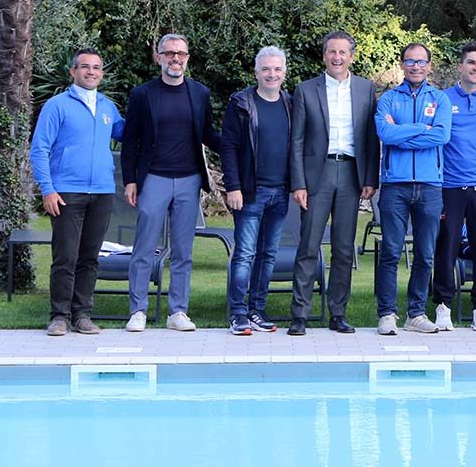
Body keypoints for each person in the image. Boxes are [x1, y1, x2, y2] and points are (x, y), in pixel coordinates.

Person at [121, 34, 221, 332]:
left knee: (183, 250)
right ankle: (138, 310)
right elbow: (130, 142)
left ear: (187, 58)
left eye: (181, 54)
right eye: (169, 53)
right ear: (159, 57)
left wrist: (237, 144)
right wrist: (130, 181)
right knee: (144, 248)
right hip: (154, 179)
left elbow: (208, 133)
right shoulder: (143, 94)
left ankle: (178, 311)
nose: (175, 58)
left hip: (189, 179)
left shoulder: (200, 93)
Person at [287, 30, 380, 335]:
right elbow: (296, 140)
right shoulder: (305, 90)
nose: (337, 58)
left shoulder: (366, 89)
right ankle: (299, 315)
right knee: (308, 246)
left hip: (352, 174)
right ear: (324, 55)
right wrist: (298, 183)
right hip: (318, 174)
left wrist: (370, 178)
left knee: (343, 249)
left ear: (351, 56)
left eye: (342, 52)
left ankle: (338, 313)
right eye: (331, 52)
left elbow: (371, 138)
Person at [30, 48, 125, 336]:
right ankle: (59, 315)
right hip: (66, 193)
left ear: (102, 74)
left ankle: (82, 315)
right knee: (65, 257)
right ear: (73, 72)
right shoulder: (57, 105)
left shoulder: (109, 107)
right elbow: (39, 149)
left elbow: (130, 135)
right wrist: (48, 189)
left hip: (103, 193)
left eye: (96, 67)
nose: (91, 72)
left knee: (90, 257)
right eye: (85, 67)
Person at [374, 43, 452, 335]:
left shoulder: (440, 99)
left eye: (421, 62)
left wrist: (403, 133)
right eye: (410, 61)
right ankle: (387, 314)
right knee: (391, 252)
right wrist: (424, 128)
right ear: (402, 65)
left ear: (429, 66)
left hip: (431, 186)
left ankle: (415, 314)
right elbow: (385, 133)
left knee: (425, 253)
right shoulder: (389, 99)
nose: (416, 66)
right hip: (395, 185)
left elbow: (442, 136)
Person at [219, 46, 292, 335]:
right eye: (266, 69)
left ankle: (257, 310)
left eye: (276, 69)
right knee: (245, 253)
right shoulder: (241, 103)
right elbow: (228, 147)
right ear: (256, 72)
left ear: (284, 72)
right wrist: (233, 186)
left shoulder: (291, 103)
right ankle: (238, 313)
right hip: (251, 192)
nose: (271, 74)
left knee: (268, 254)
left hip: (280, 192)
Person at [433, 41, 476, 332]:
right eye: (471, 63)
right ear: (461, 66)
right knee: (446, 247)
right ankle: (443, 305)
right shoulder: (443, 99)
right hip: (450, 186)